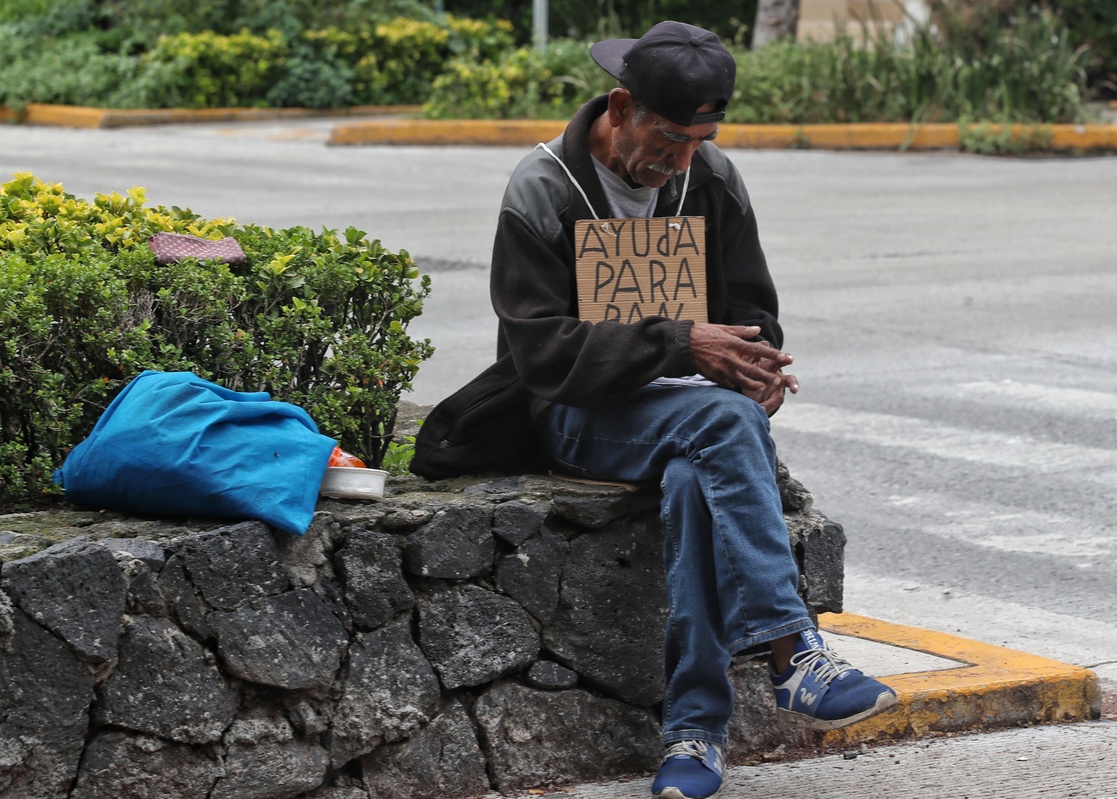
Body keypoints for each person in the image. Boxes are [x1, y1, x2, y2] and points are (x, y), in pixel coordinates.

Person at [412, 20, 897, 799]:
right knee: (718, 426)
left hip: (694, 415)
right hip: (573, 411)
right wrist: (681, 344)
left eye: (698, 140)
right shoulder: (541, 186)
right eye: (669, 138)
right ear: (620, 106)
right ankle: (790, 649)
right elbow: (539, 354)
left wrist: (754, 363)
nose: (681, 159)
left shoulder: (710, 177)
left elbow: (749, 308)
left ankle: (693, 733)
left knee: (693, 477)